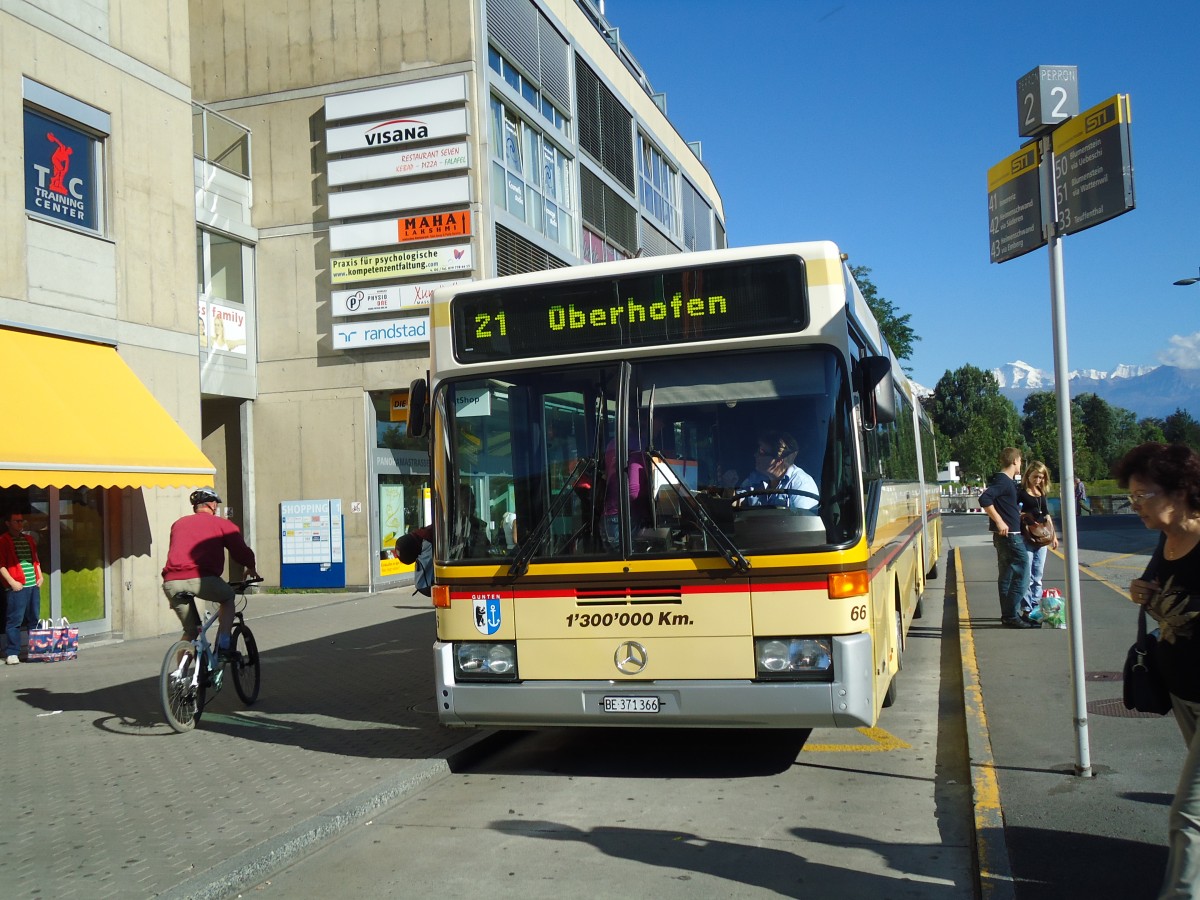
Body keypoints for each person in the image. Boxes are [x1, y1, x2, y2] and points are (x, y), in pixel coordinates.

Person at [1115, 442, 1200, 898]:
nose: (1135, 506)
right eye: (1131, 497)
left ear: (1180, 492)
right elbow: (1153, 590)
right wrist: (1139, 592)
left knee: (1187, 813)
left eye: (1143, 495)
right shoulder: (1165, 541)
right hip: (1184, 693)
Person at [161, 488, 260, 661]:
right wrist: (250, 567)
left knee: (190, 631)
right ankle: (223, 644)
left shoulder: (178, 524)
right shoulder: (222, 525)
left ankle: (181, 679)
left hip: (171, 582)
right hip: (201, 578)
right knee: (228, 598)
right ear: (212, 504)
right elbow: (241, 552)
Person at [979, 447, 1035, 629]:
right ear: (1015, 461)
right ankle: (1011, 615)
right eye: (1020, 461)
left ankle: (1008, 615)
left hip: (1004, 536)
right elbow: (984, 499)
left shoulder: (1006, 481)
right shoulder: (1003, 481)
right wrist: (1000, 521)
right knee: (1024, 573)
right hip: (1010, 536)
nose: (1021, 464)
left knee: (1007, 575)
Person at [736, 431, 818, 510]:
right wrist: (727, 486)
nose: (755, 455)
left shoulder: (801, 485)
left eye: (761, 452)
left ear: (779, 459)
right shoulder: (756, 478)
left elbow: (800, 521)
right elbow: (737, 501)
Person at [1019, 461, 1059, 618]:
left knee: (1038, 575)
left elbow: (1047, 515)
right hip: (1027, 536)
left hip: (1042, 537)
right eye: (1035, 476)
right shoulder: (1020, 492)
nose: (1038, 480)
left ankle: (1036, 608)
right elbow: (1016, 511)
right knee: (1027, 575)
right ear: (1028, 474)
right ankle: (1027, 609)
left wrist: (1054, 536)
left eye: (1041, 477)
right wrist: (1024, 516)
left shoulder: (1041, 493)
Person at [1, 512, 42, 665]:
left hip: (33, 585)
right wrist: (12, 582)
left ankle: (36, 650)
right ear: (8, 523)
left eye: (21, 521)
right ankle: (12, 652)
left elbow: (35, 559)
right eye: (16, 521)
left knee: (34, 619)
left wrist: (40, 576)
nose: (20, 523)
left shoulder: (29, 539)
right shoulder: (4, 541)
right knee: (15, 620)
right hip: (17, 587)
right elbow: (1, 565)